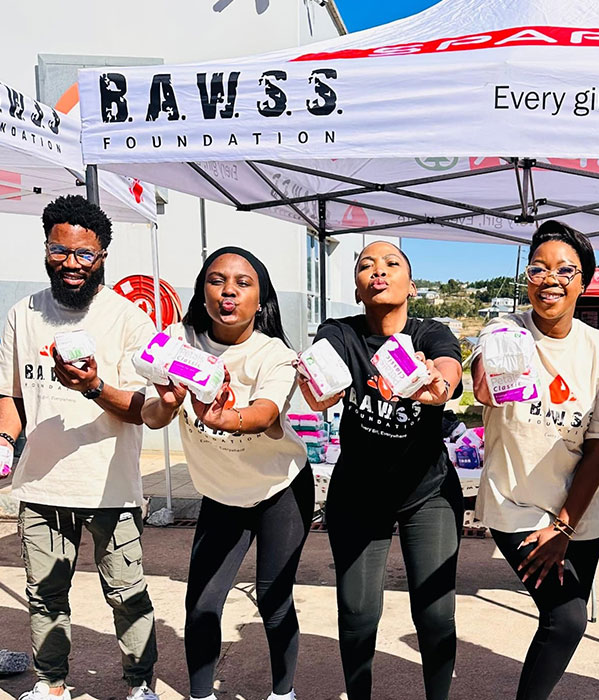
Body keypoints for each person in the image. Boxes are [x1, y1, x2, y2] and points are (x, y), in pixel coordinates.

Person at [0, 195, 159, 700]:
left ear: (103, 255)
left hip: (110, 485)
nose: (71, 263)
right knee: (45, 596)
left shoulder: (129, 320)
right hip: (41, 486)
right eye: (59, 250)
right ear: (46, 249)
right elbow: (10, 395)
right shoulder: (22, 314)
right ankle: (51, 684)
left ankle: (140, 686)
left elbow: (145, 408)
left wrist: (93, 387)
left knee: (128, 595)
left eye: (84, 254)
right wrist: (4, 439)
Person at [141, 247, 313, 700]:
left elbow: (265, 414)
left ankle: (283, 693)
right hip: (221, 494)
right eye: (216, 281)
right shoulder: (178, 341)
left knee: (274, 600)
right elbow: (153, 416)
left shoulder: (274, 354)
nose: (228, 292)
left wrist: (225, 419)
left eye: (243, 283)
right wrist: (168, 402)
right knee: (201, 604)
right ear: (202, 292)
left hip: (280, 488)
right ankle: (201, 695)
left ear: (261, 298)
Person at [299, 240, 463, 700]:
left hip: (427, 492)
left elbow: (448, 364)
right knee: (357, 613)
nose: (378, 270)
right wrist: (319, 387)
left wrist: (440, 383)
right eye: (366, 265)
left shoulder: (430, 332)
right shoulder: (340, 332)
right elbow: (323, 365)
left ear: (411, 286)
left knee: (435, 613)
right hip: (359, 494)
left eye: (392, 263)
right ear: (357, 289)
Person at [471, 221, 599, 700]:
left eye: (564, 270)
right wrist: (490, 366)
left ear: (583, 283)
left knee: (560, 619)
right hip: (515, 502)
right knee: (567, 618)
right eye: (538, 269)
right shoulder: (506, 331)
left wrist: (564, 525)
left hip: (579, 508)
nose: (550, 279)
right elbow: (483, 386)